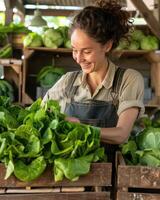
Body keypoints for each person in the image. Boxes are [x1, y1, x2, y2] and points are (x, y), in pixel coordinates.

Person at [43, 0, 144, 160]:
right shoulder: (67, 82)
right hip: (71, 173)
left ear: (107, 46)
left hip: (112, 173)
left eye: (87, 51)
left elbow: (121, 134)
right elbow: (41, 118)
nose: (79, 58)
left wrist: (81, 128)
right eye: (75, 50)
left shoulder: (128, 79)